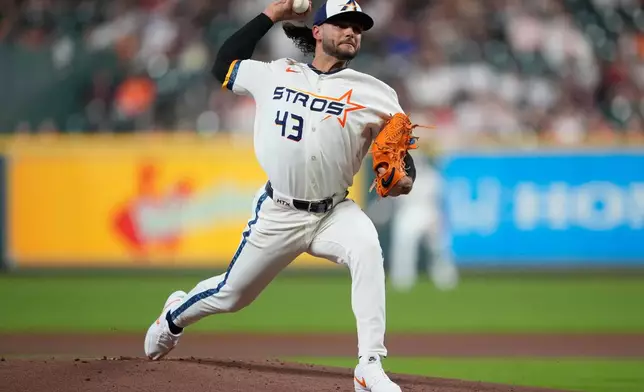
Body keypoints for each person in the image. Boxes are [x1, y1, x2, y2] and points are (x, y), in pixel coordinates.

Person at [144, 1, 417, 391]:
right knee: (231, 295)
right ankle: (173, 317)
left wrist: (404, 178)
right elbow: (221, 65)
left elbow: (402, 162)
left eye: (359, 26)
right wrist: (271, 15)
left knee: (367, 247)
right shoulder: (277, 73)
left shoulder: (377, 93)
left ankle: (369, 365)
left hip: (333, 211)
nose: (353, 31)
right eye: (343, 23)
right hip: (280, 210)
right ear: (318, 30)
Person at [388, 146, 459, 292]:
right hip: (409, 212)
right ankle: (402, 279)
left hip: (428, 211)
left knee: (438, 247)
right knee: (403, 245)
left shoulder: (433, 177)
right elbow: (396, 199)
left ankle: (445, 277)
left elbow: (438, 200)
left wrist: (437, 218)